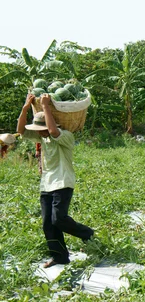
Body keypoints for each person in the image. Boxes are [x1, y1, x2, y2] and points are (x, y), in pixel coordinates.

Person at [17, 93, 95, 268]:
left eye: (41, 128)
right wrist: (24, 107)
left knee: (58, 218)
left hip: (63, 182)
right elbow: (21, 130)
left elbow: (53, 131)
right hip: (46, 184)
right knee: (47, 223)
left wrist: (45, 105)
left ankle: (87, 233)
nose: (39, 132)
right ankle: (60, 257)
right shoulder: (43, 138)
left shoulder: (66, 136)